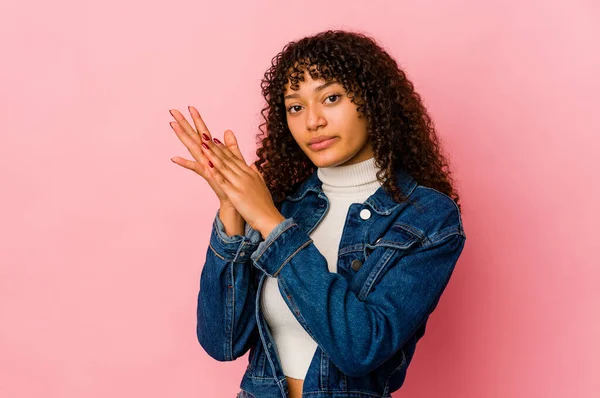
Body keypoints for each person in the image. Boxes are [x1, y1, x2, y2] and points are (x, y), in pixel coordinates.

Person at [169, 29, 467, 398]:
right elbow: (222, 342)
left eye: (331, 98)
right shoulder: (287, 206)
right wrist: (232, 208)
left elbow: (360, 348)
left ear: (373, 102)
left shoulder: (427, 217)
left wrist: (271, 224)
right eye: (295, 106)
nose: (312, 121)